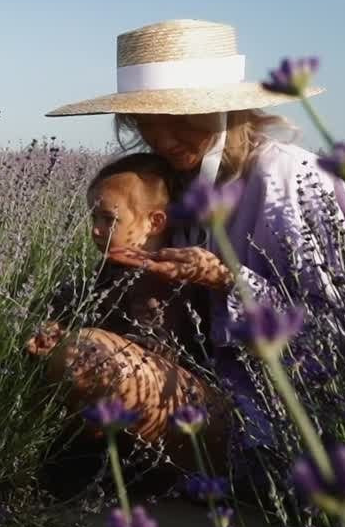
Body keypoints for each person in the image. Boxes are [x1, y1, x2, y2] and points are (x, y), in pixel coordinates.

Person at [36, 18, 345, 473]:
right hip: (195, 390)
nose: (164, 139)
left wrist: (225, 279)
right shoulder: (168, 182)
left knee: (84, 358)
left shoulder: (289, 179)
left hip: (275, 417)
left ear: (226, 108)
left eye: (181, 119)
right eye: (146, 124)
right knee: (61, 351)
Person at [27, 151, 231, 467]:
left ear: (154, 222)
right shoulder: (111, 266)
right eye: (93, 217)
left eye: (109, 219)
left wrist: (71, 338)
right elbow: (66, 304)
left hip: (169, 407)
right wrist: (51, 328)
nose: (96, 229)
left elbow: (157, 355)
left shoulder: (159, 280)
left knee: (83, 359)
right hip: (126, 402)